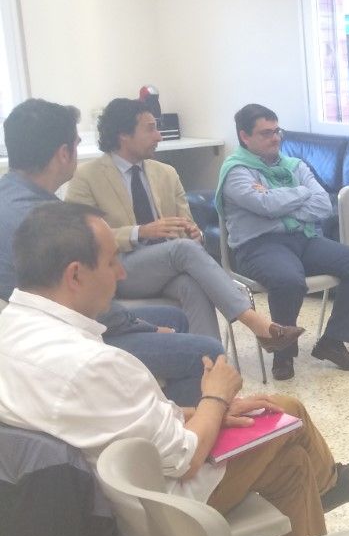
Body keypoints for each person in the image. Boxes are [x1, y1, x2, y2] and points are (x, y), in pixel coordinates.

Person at [0, 202, 349, 536]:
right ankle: (329, 488)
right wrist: (215, 398)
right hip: (155, 508)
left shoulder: (13, 329)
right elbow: (184, 458)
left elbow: (111, 419)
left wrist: (203, 412)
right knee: (286, 419)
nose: (120, 274)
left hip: (90, 498)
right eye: (111, 261)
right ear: (75, 275)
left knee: (288, 446)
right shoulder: (93, 364)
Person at [0, 98, 221, 407]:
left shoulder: (12, 197)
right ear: (64, 153)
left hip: (40, 327)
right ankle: (170, 425)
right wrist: (144, 327)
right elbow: (88, 300)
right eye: (77, 143)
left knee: (175, 317)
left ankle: (163, 405)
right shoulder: (41, 221)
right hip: (64, 338)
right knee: (207, 352)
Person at [64, 98, 303, 351]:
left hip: (166, 265)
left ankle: (211, 364)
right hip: (117, 268)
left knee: (192, 285)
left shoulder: (166, 172)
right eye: (150, 129)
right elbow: (79, 238)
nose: (159, 136)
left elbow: (187, 225)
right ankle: (256, 324)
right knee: (182, 250)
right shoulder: (86, 176)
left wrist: (194, 233)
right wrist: (139, 232)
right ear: (123, 134)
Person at [217, 104, 349, 380]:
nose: (275, 138)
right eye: (266, 133)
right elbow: (264, 205)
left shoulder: (294, 165)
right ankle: (283, 353)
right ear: (244, 136)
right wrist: (301, 193)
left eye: (276, 131)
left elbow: (323, 205)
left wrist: (279, 202)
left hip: (303, 238)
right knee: (289, 281)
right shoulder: (236, 171)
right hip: (258, 246)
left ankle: (333, 342)